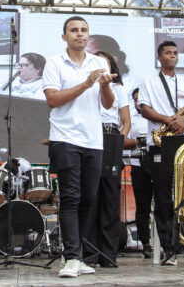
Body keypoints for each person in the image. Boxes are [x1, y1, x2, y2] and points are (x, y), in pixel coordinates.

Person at [43, 16, 115, 278]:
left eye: (84, 30)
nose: (79, 34)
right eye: (73, 30)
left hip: (93, 140)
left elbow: (107, 104)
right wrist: (86, 83)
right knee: (71, 198)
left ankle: (78, 255)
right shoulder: (54, 62)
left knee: (88, 199)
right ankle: (70, 256)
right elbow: (53, 99)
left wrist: (105, 86)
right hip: (64, 138)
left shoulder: (100, 62)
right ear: (65, 36)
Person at [137, 40, 184, 265]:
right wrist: (168, 121)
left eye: (175, 53)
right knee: (163, 197)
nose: (172, 56)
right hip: (161, 141)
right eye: (167, 53)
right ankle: (168, 248)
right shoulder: (149, 81)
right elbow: (144, 108)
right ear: (159, 57)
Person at [83, 50, 132, 267]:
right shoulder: (86, 87)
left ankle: (108, 254)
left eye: (106, 63)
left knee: (110, 199)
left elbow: (126, 121)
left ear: (112, 67)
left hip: (111, 137)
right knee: (90, 197)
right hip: (90, 136)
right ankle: (89, 254)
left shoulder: (119, 89)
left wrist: (118, 145)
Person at [127, 87, 152, 258]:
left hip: (157, 164)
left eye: (140, 99)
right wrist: (137, 141)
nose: (138, 102)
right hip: (138, 165)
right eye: (135, 99)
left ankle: (167, 241)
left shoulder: (155, 114)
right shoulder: (131, 118)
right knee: (142, 206)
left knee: (164, 204)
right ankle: (146, 243)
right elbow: (124, 140)